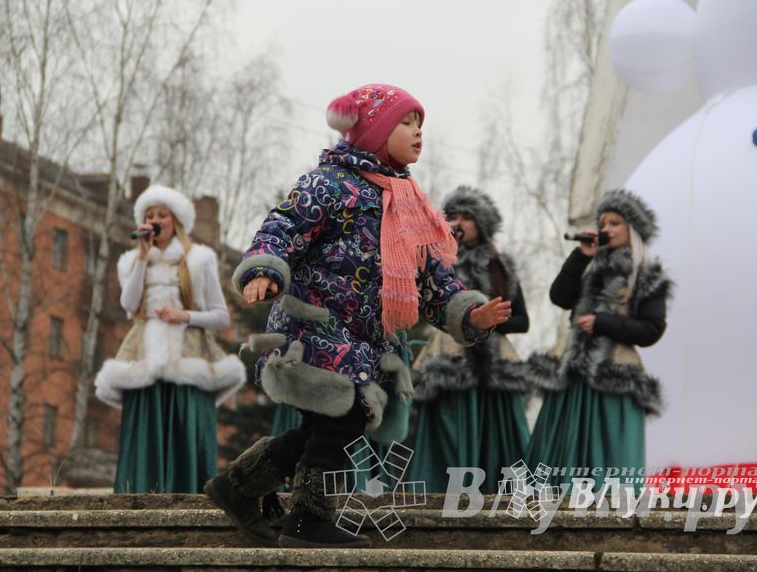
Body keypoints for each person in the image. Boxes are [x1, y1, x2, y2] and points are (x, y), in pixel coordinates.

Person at [203, 84, 512, 549]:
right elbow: (282, 227)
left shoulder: (410, 204)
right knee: (345, 416)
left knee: (324, 426)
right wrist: (264, 271)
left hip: (367, 342)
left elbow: (432, 281)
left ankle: (239, 486)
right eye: (406, 123)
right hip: (317, 329)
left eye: (420, 124)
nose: (417, 133)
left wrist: (469, 313)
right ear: (374, 130)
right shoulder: (327, 183)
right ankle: (308, 519)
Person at [94, 184, 246, 494]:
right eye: (150, 215)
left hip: (189, 361)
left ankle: (192, 498)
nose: (155, 220)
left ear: (175, 220)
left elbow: (221, 317)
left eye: (162, 214)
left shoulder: (200, 260)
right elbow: (128, 305)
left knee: (184, 436)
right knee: (144, 436)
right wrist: (142, 258)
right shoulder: (131, 261)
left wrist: (184, 316)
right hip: (145, 361)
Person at [525, 188, 672, 490]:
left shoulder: (646, 272)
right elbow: (560, 297)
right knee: (560, 446)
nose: (606, 229)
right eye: (603, 223)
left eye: (614, 223)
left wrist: (603, 322)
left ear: (633, 228)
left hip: (613, 372)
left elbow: (651, 329)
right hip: (572, 372)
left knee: (607, 453)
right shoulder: (588, 265)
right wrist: (580, 256)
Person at [409, 186, 532, 494]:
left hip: (494, 358)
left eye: (468, 217)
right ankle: (439, 488)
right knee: (446, 421)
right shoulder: (435, 260)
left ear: (483, 224)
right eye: (453, 216)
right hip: (448, 351)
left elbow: (522, 320)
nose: (459, 223)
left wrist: (487, 322)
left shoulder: (501, 265)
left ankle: (496, 490)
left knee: (495, 426)